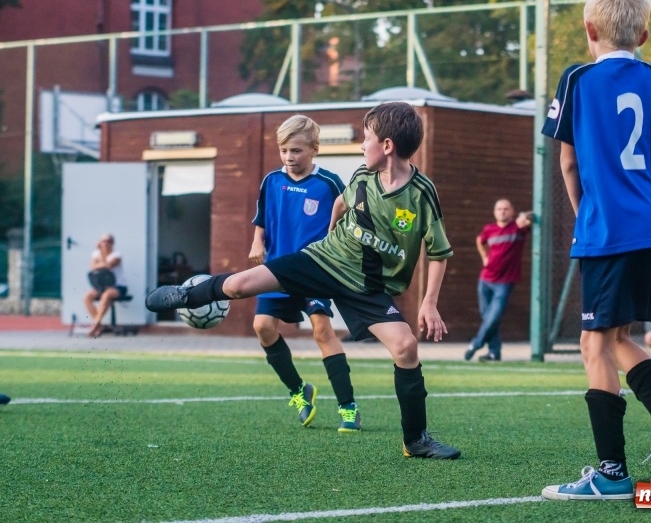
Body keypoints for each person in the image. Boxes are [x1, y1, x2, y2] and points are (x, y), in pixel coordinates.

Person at [146, 102, 461, 459]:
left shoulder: (421, 193)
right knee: (239, 286)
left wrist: (429, 302)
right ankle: (186, 296)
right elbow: (342, 203)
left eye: (366, 137)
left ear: (387, 146)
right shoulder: (362, 176)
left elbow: (438, 251)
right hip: (324, 260)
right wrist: (329, 237)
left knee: (405, 347)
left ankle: (415, 440)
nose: (361, 144)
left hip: (366, 286)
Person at [540, 0, 651, 501]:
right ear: (645, 34)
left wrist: (587, 209)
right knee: (615, 336)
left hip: (606, 228)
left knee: (593, 343)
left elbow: (567, 161)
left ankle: (611, 473)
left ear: (589, 30)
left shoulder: (577, 78)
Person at [249, 114, 360, 432]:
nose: (289, 157)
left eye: (296, 151)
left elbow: (351, 219)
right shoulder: (271, 181)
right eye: (284, 150)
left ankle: (348, 408)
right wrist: (257, 242)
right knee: (263, 327)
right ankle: (299, 390)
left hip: (314, 270)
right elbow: (260, 221)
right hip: (276, 271)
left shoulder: (330, 183)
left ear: (314, 149)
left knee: (322, 332)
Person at [464, 199, 532, 362]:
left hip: (505, 283)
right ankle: (494, 352)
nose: (502, 211)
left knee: (493, 317)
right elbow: (480, 241)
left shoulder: (518, 228)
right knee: (488, 317)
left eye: (506, 209)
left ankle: (476, 343)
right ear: (495, 212)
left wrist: (524, 217)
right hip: (485, 280)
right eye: (499, 209)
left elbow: (532, 217)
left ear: (512, 211)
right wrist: (484, 257)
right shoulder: (489, 229)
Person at [84, 233, 127, 338]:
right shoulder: (95, 254)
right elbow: (93, 267)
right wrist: (100, 261)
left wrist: (102, 255)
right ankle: (99, 326)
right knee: (87, 297)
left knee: (106, 295)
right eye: (104, 241)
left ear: (112, 243)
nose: (106, 244)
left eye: (108, 241)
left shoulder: (116, 255)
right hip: (102, 286)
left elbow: (107, 266)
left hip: (118, 286)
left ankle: (94, 327)